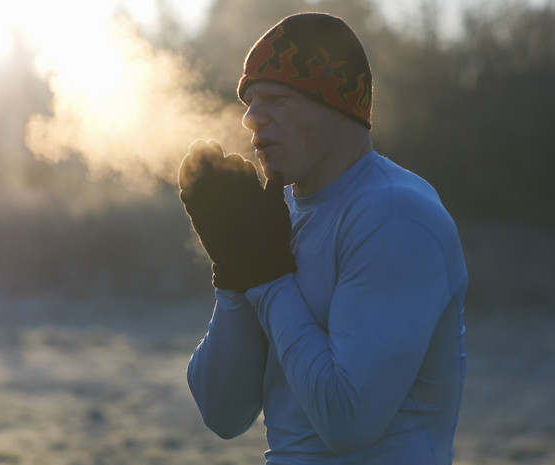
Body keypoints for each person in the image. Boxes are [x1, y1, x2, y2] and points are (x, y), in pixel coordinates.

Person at [177, 12, 468, 465]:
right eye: (249, 102)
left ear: (335, 104)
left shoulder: (394, 215)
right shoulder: (279, 218)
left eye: (274, 97)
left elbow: (348, 420)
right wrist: (232, 271)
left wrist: (266, 276)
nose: (251, 119)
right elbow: (223, 413)